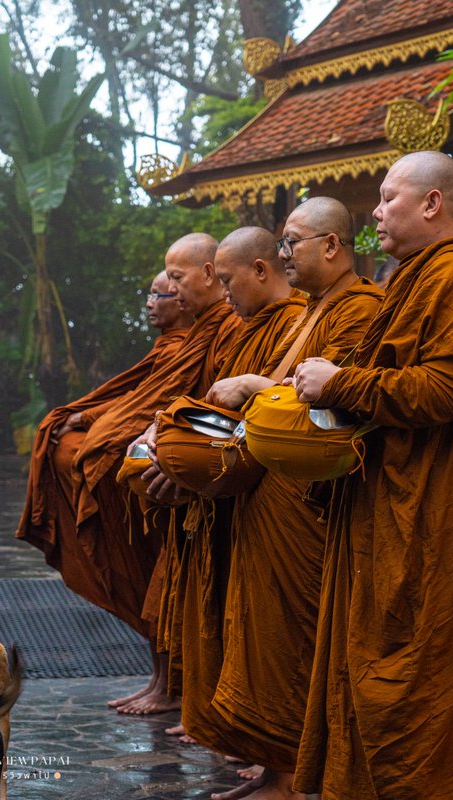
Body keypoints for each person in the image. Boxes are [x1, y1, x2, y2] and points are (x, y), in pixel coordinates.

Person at [289, 151, 453, 799]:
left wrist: (340, 384)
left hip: (440, 506)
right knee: (378, 658)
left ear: (432, 204)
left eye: (388, 198)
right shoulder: (415, 276)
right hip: (394, 499)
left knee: (426, 668)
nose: (376, 213)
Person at [200, 198, 382, 800]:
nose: (283, 254)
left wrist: (256, 386)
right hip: (275, 494)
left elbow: (337, 405)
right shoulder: (313, 308)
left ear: (331, 245)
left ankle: (297, 775)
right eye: (280, 243)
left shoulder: (360, 309)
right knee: (265, 635)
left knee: (297, 640)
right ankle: (277, 767)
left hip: (313, 501)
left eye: (292, 242)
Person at [19, 233, 243, 715]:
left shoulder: (227, 329)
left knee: (178, 586)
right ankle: (166, 683)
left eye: (171, 283)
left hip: (203, 476)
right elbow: (146, 401)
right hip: (173, 471)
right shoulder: (198, 336)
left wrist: (132, 436)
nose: (161, 296)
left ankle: (189, 694)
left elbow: (199, 404)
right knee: (162, 582)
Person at [144, 228, 303, 767]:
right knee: (238, 616)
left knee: (275, 626)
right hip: (235, 492)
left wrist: (193, 466)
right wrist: (170, 439)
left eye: (229, 279)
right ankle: (249, 739)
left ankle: (276, 756)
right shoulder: (245, 327)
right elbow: (213, 405)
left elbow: (297, 411)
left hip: (280, 494)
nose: (225, 291)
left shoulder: (304, 320)